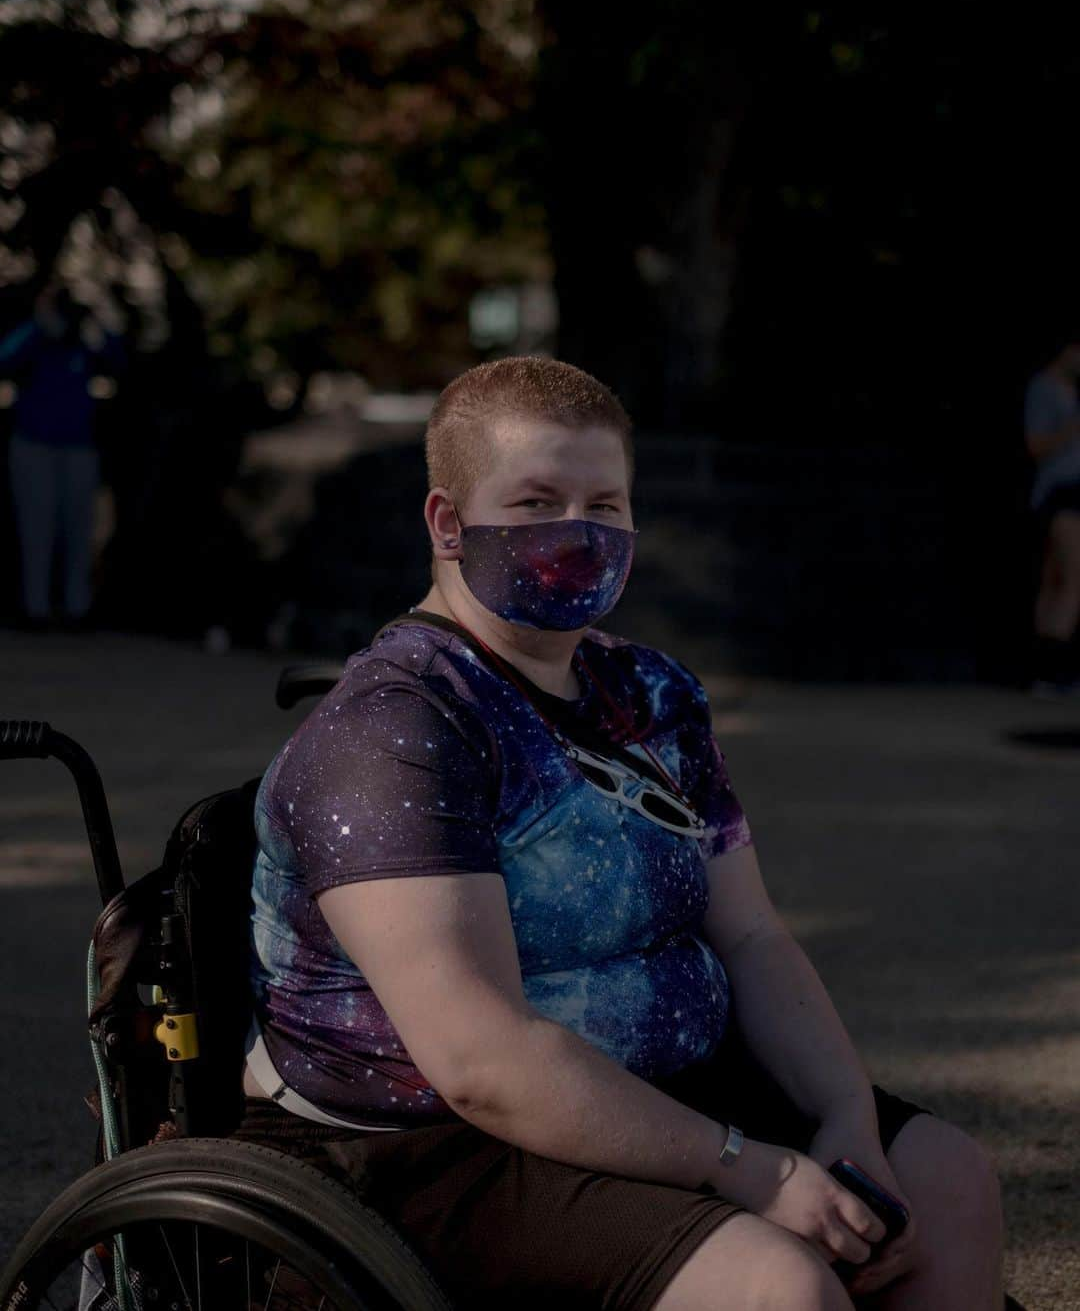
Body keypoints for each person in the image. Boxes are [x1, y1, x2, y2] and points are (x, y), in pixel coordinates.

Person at [235, 356, 1006, 1310]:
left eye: (606, 505)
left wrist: (844, 1116)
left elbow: (753, 935)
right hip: (435, 1149)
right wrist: (755, 1172)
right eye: (536, 501)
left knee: (946, 1183)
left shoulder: (650, 694)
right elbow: (481, 1062)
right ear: (446, 523)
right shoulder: (396, 729)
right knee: (777, 1286)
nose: (578, 533)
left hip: (659, 1090)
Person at [0, 282, 124, 631]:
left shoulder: (84, 342)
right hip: (33, 444)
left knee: (78, 531)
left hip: (78, 447)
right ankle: (34, 608)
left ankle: (76, 609)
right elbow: (4, 358)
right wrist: (39, 323)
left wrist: (97, 321)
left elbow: (117, 361)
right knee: (36, 529)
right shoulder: (35, 339)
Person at [1023, 334, 1080, 696]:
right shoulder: (1045, 388)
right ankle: (1058, 673)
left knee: (1057, 581)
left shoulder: (1070, 390)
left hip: (1069, 490)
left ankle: (1046, 673)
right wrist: (1073, 429)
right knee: (1073, 579)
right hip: (1063, 493)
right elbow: (1036, 444)